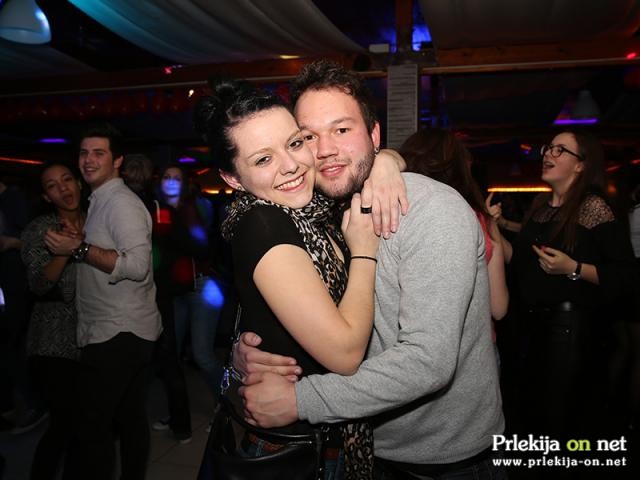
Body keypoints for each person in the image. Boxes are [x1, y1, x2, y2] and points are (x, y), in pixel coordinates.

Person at [235, 60, 505, 479]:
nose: (325, 149)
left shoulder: (432, 212)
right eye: (308, 136)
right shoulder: (316, 213)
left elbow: (428, 362)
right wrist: (245, 352)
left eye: (342, 130)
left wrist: (300, 400)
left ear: (374, 135)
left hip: (443, 460)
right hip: (360, 445)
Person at [193, 77, 381, 478]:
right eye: (263, 159)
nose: (291, 165)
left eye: (295, 143)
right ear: (233, 179)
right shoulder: (264, 223)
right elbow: (346, 354)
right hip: (293, 449)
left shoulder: (313, 210)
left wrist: (389, 163)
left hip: (325, 429)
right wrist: (364, 250)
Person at [496, 130, 636, 443]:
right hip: (531, 326)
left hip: (570, 330)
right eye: (549, 148)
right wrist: (492, 229)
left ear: (580, 165)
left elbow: (626, 276)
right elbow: (518, 260)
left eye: (560, 150)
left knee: (559, 421)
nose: (548, 153)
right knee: (530, 416)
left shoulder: (593, 207)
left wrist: (574, 268)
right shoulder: (541, 206)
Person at [44, 123, 162, 480]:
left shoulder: (121, 203)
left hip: (118, 332)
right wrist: (80, 242)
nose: (88, 160)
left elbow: (137, 266)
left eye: (99, 153)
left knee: (90, 428)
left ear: (117, 160)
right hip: (122, 328)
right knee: (129, 418)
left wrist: (79, 248)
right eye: (84, 153)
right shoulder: (100, 201)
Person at [399, 128, 509, 321]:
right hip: (469, 339)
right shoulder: (475, 219)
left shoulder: (391, 212)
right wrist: (491, 226)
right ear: (460, 169)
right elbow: (499, 308)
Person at [122, 155, 194, 444]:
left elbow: (186, 245)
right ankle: (177, 424)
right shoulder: (151, 207)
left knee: (159, 359)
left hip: (150, 293)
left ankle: (176, 424)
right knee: (160, 360)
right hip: (148, 292)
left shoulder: (154, 207)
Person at [21, 163, 84, 480]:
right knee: (64, 423)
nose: (63, 189)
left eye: (67, 179)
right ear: (46, 197)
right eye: (52, 186)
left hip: (91, 336)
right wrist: (64, 252)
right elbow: (39, 285)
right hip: (52, 339)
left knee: (84, 426)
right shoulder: (40, 230)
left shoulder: (98, 220)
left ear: (79, 183)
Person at [151, 163, 222, 436]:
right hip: (174, 291)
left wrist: (172, 225)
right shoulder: (156, 210)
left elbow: (202, 247)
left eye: (176, 178)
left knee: (203, 355)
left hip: (201, 287)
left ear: (184, 184)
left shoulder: (195, 208)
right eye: (166, 177)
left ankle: (226, 408)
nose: (171, 182)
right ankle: (176, 412)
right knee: (171, 355)